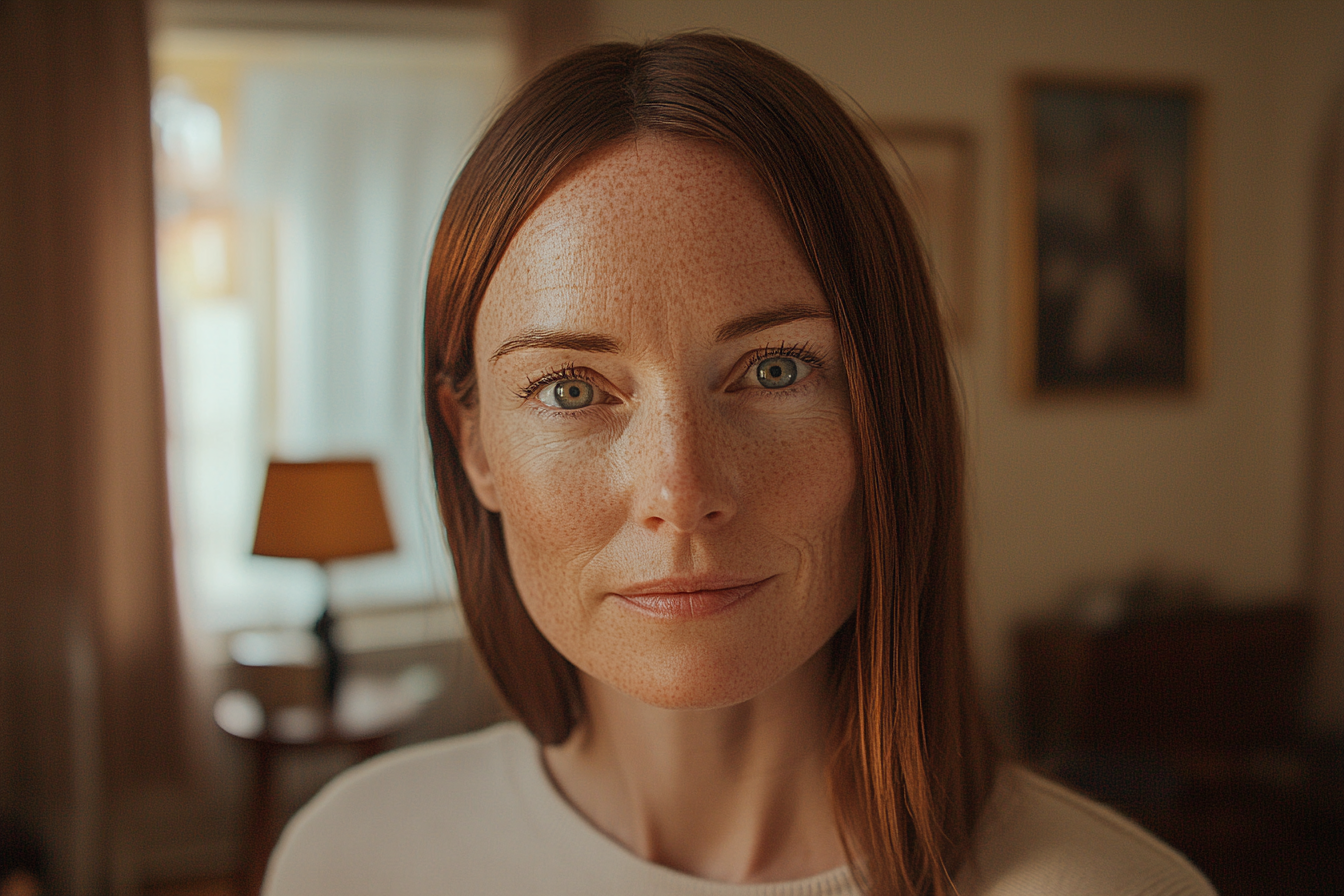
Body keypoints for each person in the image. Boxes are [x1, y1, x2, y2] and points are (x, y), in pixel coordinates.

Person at [262, 33, 1216, 896]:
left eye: (773, 369)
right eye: (570, 389)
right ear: (473, 446)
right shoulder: (349, 861)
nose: (681, 494)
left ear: (891, 413)